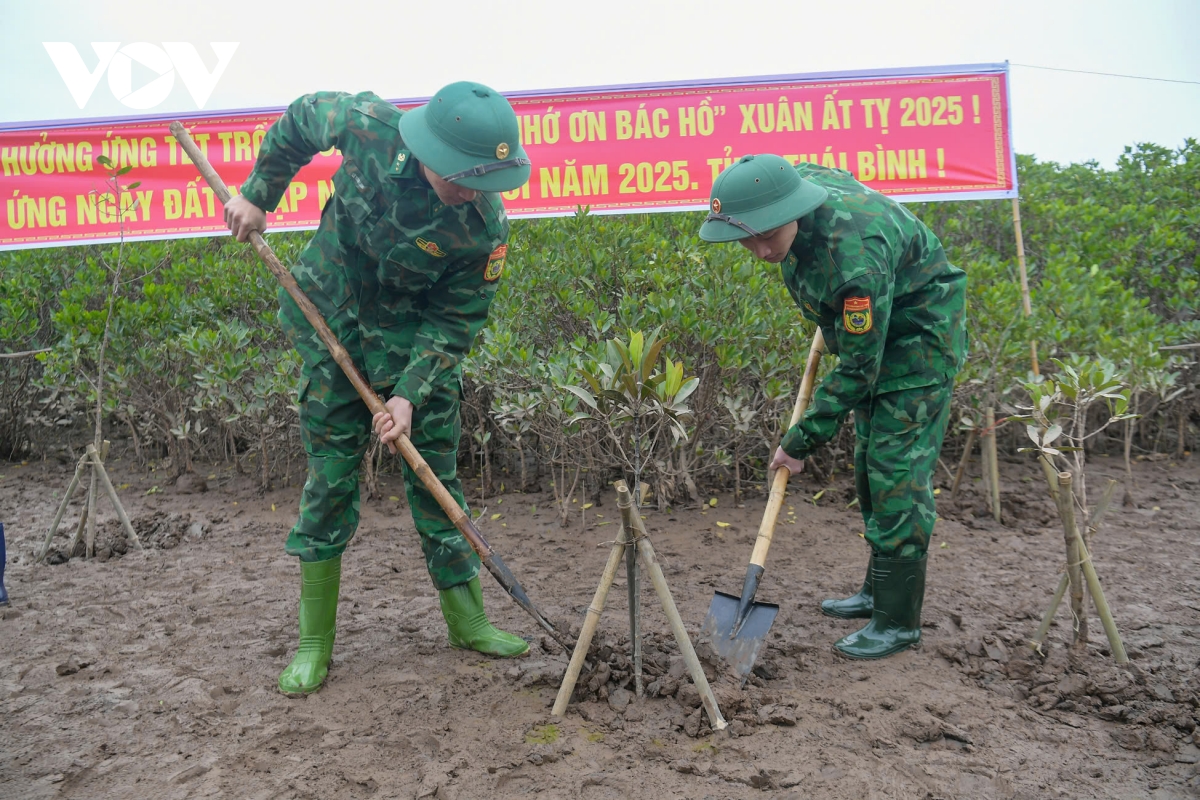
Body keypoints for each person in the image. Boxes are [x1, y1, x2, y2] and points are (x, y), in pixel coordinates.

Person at [224, 81, 533, 695]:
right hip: (329, 318)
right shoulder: (366, 126)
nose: (473, 191)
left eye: (486, 181)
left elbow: (455, 320)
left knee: (435, 475)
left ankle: (468, 620)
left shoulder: (483, 227)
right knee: (332, 476)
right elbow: (299, 121)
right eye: (463, 177)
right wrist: (260, 196)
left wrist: (409, 394)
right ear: (430, 152)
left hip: (415, 348)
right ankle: (315, 642)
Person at [698, 154, 966, 659]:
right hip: (877, 331)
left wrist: (800, 440)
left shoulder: (855, 261)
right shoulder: (794, 188)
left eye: (766, 235)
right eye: (745, 237)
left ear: (790, 211)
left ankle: (897, 622)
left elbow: (862, 367)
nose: (758, 250)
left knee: (895, 473)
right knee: (869, 464)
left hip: (919, 345)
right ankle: (876, 592)